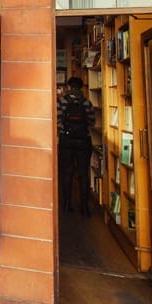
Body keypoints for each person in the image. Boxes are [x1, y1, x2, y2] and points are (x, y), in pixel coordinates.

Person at [57, 76, 97, 216]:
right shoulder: (87, 102)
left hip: (66, 140)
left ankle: (67, 203)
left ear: (68, 87)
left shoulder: (62, 102)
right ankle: (84, 206)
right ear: (81, 88)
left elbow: (57, 120)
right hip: (83, 141)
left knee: (66, 172)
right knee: (83, 173)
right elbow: (92, 122)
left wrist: (66, 129)